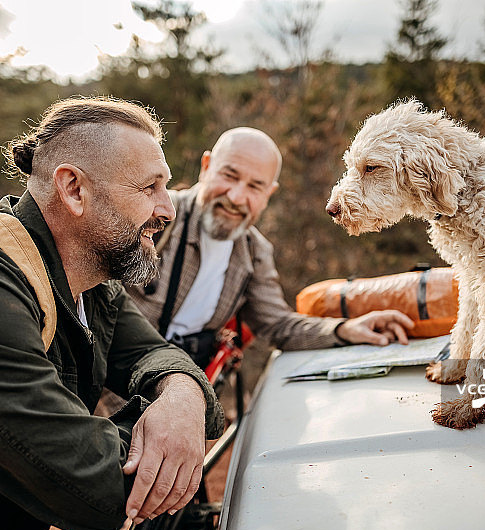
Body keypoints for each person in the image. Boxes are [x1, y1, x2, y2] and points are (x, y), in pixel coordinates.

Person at [0, 96, 224, 530]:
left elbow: (155, 354)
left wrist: (181, 396)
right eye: (150, 188)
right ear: (73, 189)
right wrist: (172, 426)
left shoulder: (85, 276)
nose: (167, 209)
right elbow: (99, 488)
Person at [126, 127, 414, 367]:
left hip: (179, 392)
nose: (237, 197)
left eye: (255, 186)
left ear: (269, 194)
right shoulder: (156, 217)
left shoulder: (253, 252)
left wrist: (346, 329)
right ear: (206, 167)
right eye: (229, 176)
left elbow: (278, 325)